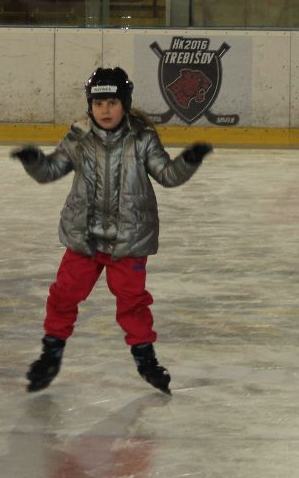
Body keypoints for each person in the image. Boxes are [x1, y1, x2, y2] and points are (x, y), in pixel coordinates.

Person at [11, 67, 213, 394]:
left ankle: (146, 358)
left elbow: (167, 175)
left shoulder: (142, 139)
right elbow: (51, 170)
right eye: (98, 103)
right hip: (85, 239)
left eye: (112, 102)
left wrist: (189, 160)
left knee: (132, 303)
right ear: (90, 105)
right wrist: (33, 160)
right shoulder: (79, 137)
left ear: (125, 104)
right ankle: (51, 353)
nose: (105, 110)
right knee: (63, 295)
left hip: (128, 241)